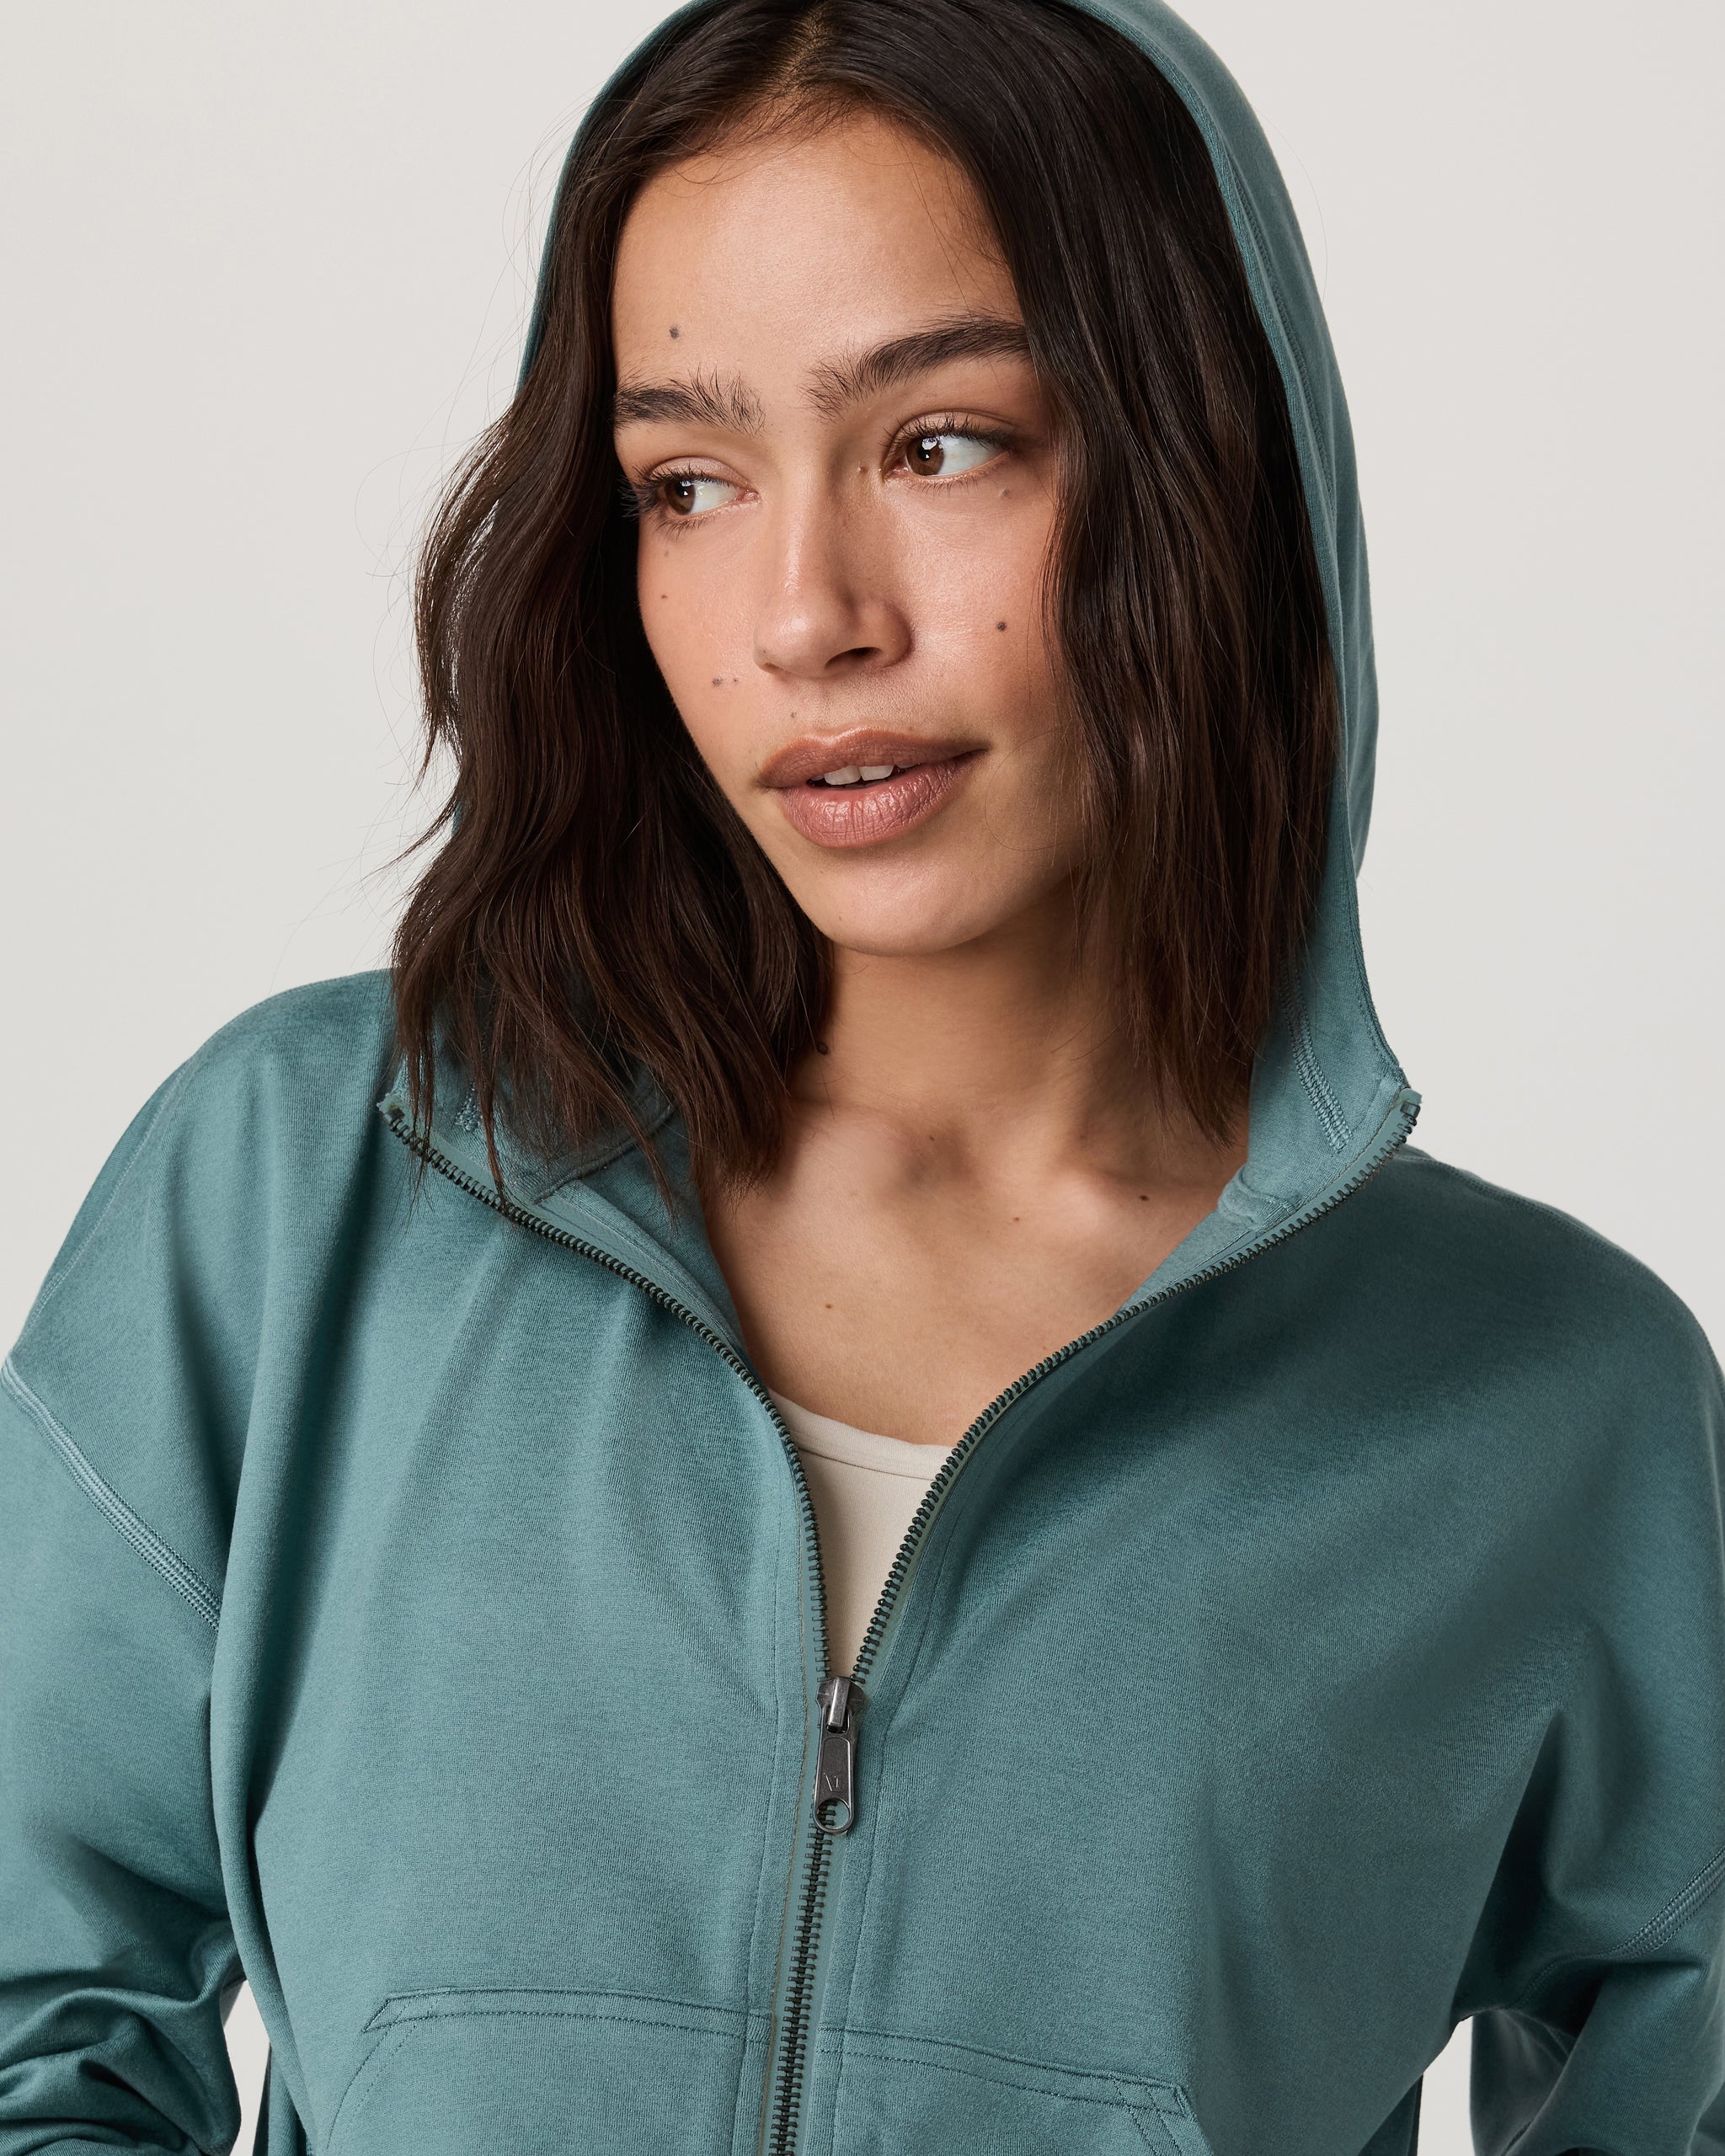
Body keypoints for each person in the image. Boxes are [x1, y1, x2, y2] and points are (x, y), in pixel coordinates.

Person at [2, 0, 1720, 2148]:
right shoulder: (300, 1196)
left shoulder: (1547, 1404)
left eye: (941, 444)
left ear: (1205, 467)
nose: (804, 616)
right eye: (688, 481)